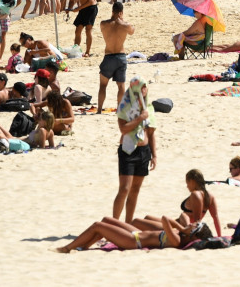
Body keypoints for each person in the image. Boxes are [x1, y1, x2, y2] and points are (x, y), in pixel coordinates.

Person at [114, 79, 156, 223]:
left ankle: (128, 223)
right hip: (128, 150)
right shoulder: (124, 106)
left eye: (145, 88)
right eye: (141, 88)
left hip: (143, 150)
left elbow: (151, 132)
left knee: (135, 190)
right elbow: (124, 129)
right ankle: (114, 222)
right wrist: (140, 118)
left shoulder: (148, 106)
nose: (144, 91)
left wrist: (154, 155)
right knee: (124, 189)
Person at [56, 216, 210, 253]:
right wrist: (184, 229)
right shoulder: (180, 235)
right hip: (137, 234)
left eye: (193, 226)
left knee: (98, 226)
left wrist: (182, 229)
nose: (190, 223)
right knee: (106, 220)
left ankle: (67, 248)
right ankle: (84, 247)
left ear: (193, 235)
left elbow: (165, 219)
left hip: (133, 241)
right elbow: (178, 217)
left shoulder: (177, 239)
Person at [98, 2, 132, 114]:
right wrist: (121, 20)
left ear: (112, 11)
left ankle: (99, 110)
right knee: (121, 85)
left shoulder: (103, 24)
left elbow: (106, 26)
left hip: (108, 57)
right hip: (121, 56)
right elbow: (132, 31)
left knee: (103, 85)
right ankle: (119, 109)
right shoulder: (126, 25)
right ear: (121, 12)